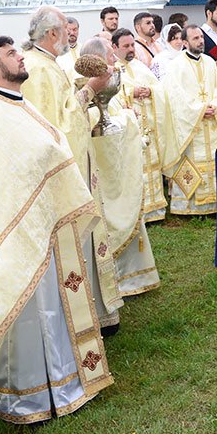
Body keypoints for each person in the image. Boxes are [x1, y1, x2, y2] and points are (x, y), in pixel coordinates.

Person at [0, 36, 113, 423]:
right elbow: (18, 168)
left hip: (41, 221)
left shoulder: (18, 102)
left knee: (50, 307)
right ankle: (29, 397)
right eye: (12, 54)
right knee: (29, 311)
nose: (21, 56)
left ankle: (63, 381)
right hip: (17, 230)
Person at [20, 6, 123, 332]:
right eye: (65, 28)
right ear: (52, 34)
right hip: (64, 170)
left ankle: (96, 310)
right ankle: (79, 317)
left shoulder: (47, 64)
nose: (69, 34)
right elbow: (55, 126)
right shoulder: (38, 70)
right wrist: (90, 89)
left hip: (80, 161)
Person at [77, 37, 160, 297]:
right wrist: (128, 119)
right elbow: (93, 122)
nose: (115, 62)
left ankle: (134, 276)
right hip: (102, 171)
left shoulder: (105, 86)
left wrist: (124, 116)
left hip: (114, 165)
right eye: (110, 58)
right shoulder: (83, 89)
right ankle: (119, 279)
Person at [111, 28, 180, 223]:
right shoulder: (113, 70)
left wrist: (150, 91)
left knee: (151, 164)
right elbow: (111, 99)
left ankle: (156, 209)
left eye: (132, 44)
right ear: (114, 47)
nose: (131, 49)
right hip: (130, 130)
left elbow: (159, 90)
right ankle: (138, 212)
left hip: (148, 127)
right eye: (126, 46)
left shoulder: (141, 67)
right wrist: (131, 93)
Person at [161, 26, 217, 216]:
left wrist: (215, 105)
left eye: (201, 37)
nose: (201, 41)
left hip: (211, 122)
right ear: (184, 42)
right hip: (192, 126)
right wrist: (199, 110)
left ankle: (214, 204)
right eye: (195, 38)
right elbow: (174, 97)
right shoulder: (176, 66)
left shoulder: (209, 62)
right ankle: (190, 207)